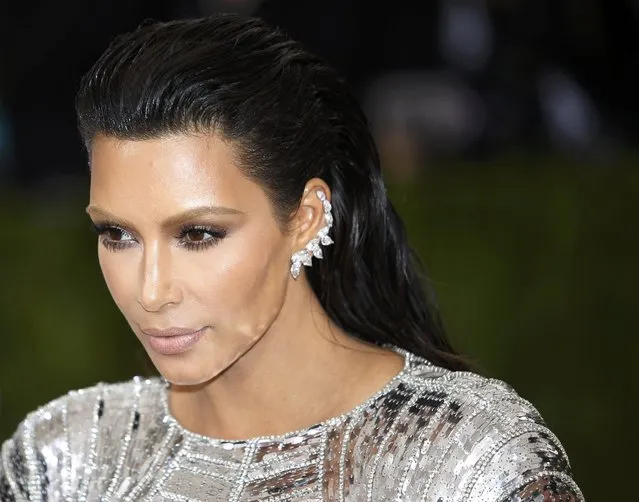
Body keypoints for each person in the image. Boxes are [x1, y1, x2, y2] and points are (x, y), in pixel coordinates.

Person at [0, 14, 584, 501]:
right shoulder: (63, 459)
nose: (151, 291)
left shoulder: (468, 462)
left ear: (305, 218)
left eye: (199, 234)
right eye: (118, 235)